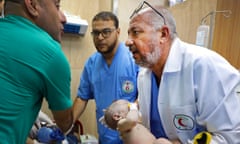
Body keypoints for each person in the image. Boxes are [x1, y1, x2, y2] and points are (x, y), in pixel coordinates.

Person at [119, 1, 240, 144]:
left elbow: (230, 137)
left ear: (163, 34)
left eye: (136, 32)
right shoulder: (144, 75)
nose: (127, 42)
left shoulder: (204, 66)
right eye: (128, 34)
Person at [0, 0, 73, 143]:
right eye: (57, 6)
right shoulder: (51, 53)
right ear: (32, 5)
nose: (63, 18)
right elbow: (65, 124)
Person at [73, 11, 139, 144]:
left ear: (118, 32)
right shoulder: (92, 64)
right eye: (96, 33)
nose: (100, 37)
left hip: (131, 137)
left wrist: (131, 109)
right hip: (104, 137)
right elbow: (82, 97)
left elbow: (145, 97)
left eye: (106, 32)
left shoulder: (133, 60)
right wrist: (67, 123)